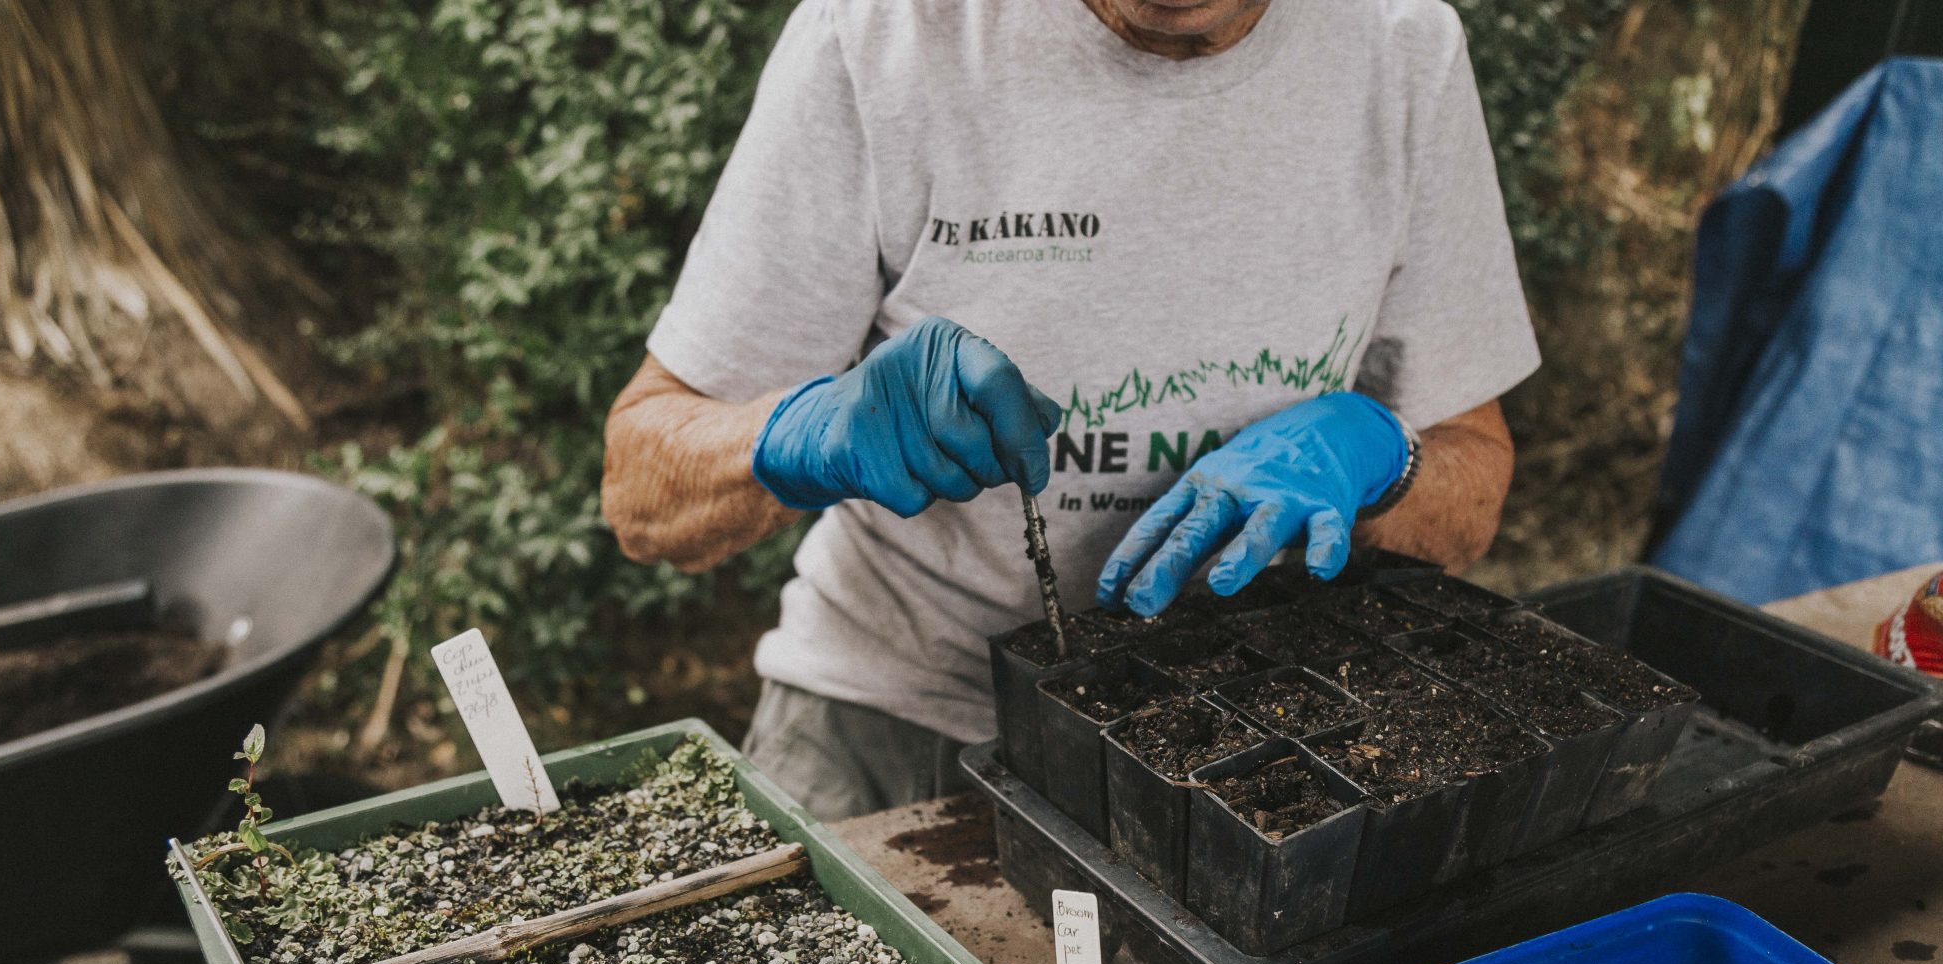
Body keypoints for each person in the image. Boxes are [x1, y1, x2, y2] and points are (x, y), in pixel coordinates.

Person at [602, 0, 1541, 820]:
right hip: (900, 718)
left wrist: (1382, 454)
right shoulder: (880, 38)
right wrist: (800, 434)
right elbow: (643, 491)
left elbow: (1471, 483)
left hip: (1246, 736)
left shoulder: (1402, 49)